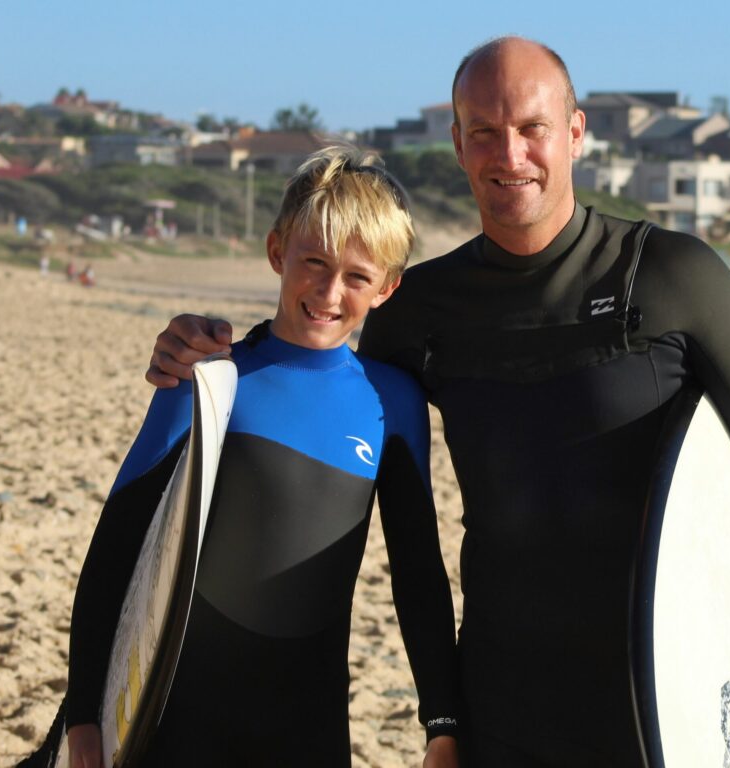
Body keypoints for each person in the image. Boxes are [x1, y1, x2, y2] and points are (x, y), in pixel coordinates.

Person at [146, 37, 730, 768]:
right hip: (503, 694)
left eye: (532, 128)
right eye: (484, 133)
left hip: (665, 681)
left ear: (574, 133)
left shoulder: (669, 272)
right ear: (458, 144)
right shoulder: (421, 310)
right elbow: (319, 383)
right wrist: (203, 352)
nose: (510, 155)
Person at [52, 145, 461, 767]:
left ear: (387, 287)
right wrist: (83, 714)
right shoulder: (210, 379)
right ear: (277, 253)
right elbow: (117, 541)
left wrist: (441, 723)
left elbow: (417, 572)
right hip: (178, 714)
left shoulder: (393, 402)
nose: (329, 291)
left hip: (308, 723)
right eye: (313, 262)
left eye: (356, 276)